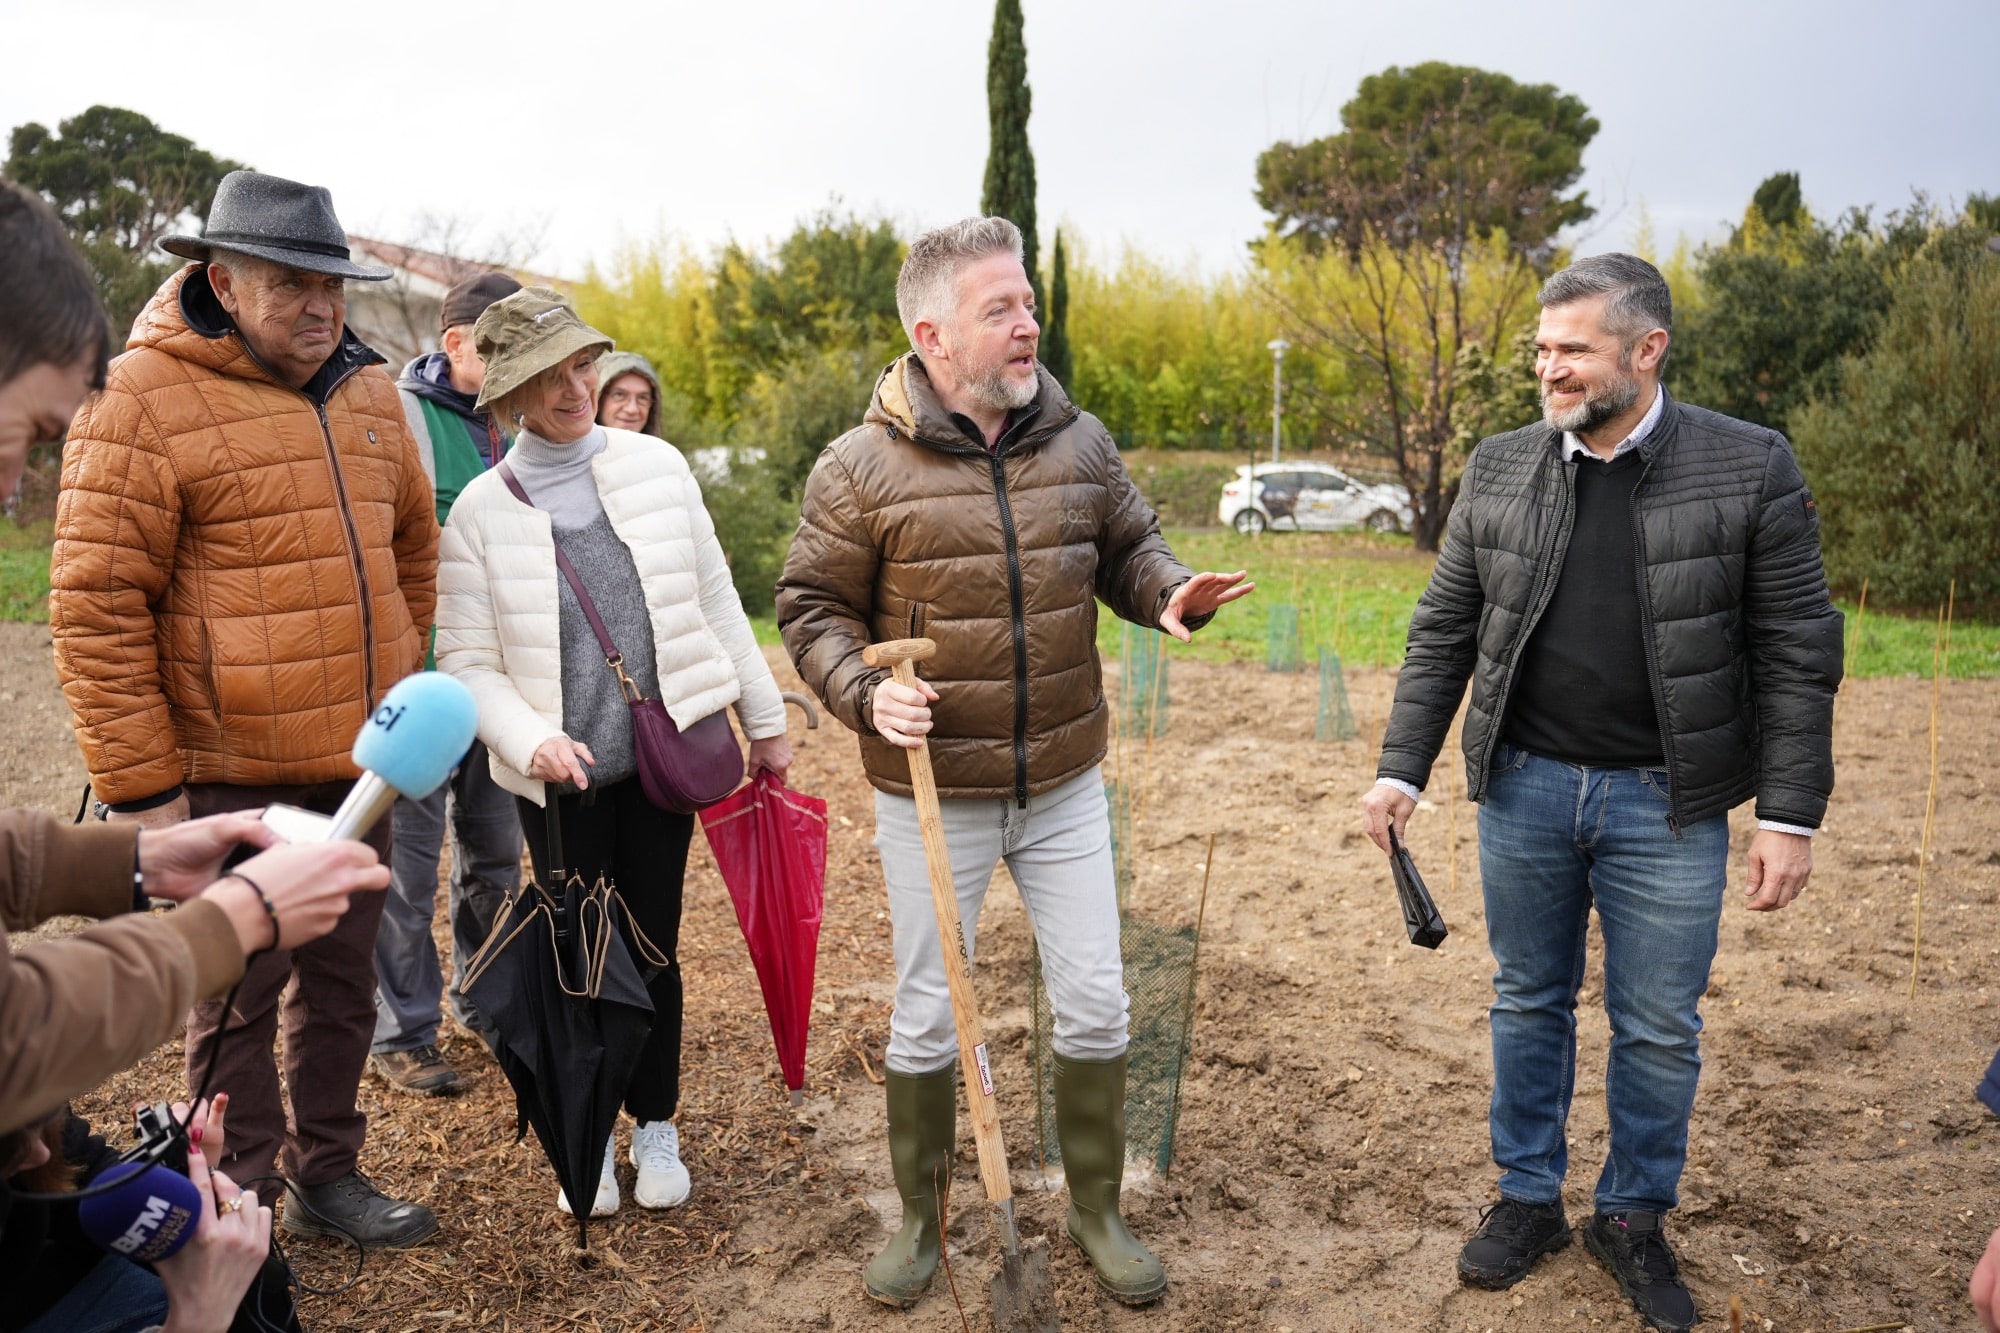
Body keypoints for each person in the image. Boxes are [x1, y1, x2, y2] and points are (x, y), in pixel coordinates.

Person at [1360, 253, 1841, 1333]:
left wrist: (1787, 812)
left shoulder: (1747, 466)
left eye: (1570, 348)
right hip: (1522, 790)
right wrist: (1400, 766)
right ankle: (1526, 1198)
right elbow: (1442, 631)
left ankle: (1629, 1217)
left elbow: (1796, 648)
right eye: (1541, 348)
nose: (1547, 367)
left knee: (1657, 1025)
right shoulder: (1498, 468)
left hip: (1666, 806)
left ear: (1645, 350)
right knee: (1525, 997)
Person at [775, 216, 1251, 1309]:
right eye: (1002, 309)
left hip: (1064, 779)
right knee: (928, 1013)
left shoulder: (1074, 441)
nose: (1028, 323)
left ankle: (1093, 1205)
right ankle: (920, 1214)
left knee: (1093, 998)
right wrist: (862, 690)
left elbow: (1126, 542)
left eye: (1027, 302)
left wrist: (1166, 592)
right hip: (933, 791)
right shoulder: (859, 467)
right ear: (933, 335)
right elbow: (810, 607)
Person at [50, 170, 442, 1249]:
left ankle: (331, 1170)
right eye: (291, 286)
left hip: (365, 763)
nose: (323, 310)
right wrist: (147, 795)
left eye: (334, 287)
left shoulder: (369, 394)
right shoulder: (137, 396)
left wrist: (404, 676)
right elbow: (95, 608)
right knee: (231, 996)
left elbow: (413, 545)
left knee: (345, 986)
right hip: (231, 773)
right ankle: (239, 1196)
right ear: (219, 279)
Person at [435, 287, 792, 1218]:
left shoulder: (658, 468)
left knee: (654, 950)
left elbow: (715, 603)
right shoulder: (478, 511)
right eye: (548, 376)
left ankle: (656, 1121)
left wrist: (767, 721)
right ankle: (584, 1138)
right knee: (572, 960)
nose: (574, 387)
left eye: (582, 365)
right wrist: (532, 738)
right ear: (508, 394)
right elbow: (466, 663)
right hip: (560, 783)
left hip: (658, 768)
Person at [370, 271, 526, 1096]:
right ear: (455, 343)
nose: (514, 366)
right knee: (408, 865)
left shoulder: (527, 420)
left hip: (501, 685)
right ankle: (402, 1031)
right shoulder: (395, 416)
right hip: (419, 682)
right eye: (497, 348)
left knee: (497, 854)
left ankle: (486, 998)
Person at [2, 1100, 276, 1333]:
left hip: (71, 1263)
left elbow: (81, 1168)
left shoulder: (14, 1066)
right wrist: (194, 1323)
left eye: (36, 1121)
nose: (41, 1153)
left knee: (230, 1234)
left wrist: (173, 1174)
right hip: (31, 1312)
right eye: (5, 1144)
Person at [594, 351, 662, 436]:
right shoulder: (575, 449)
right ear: (597, 399)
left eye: (642, 398)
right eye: (619, 395)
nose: (632, 409)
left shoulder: (662, 449)